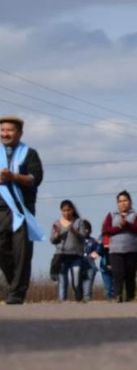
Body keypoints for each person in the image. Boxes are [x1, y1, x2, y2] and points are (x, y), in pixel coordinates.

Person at [0, 116, 44, 304]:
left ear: (19, 133)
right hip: (1, 209)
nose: (5, 134)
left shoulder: (29, 154)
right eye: (2, 130)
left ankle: (17, 293)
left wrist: (13, 177)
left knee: (22, 252)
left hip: (21, 209)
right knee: (2, 249)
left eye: (9, 130)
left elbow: (35, 179)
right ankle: (15, 284)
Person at [102, 190, 137, 302]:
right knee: (118, 274)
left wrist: (127, 225)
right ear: (117, 203)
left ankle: (130, 297)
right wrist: (119, 227)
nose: (123, 203)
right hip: (115, 250)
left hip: (132, 250)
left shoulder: (136, 214)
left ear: (130, 202)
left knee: (130, 274)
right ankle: (118, 295)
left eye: (125, 200)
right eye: (120, 201)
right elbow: (106, 230)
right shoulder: (111, 214)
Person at [50, 200, 89, 302]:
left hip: (76, 256)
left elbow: (83, 237)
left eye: (68, 210)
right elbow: (52, 240)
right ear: (61, 211)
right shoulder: (57, 223)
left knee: (76, 280)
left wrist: (74, 231)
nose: (66, 213)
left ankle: (78, 299)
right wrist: (56, 236)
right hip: (61, 256)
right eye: (64, 210)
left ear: (73, 210)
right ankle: (62, 301)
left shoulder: (79, 222)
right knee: (62, 281)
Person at [80, 222, 102, 302]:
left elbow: (98, 251)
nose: (86, 231)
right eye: (84, 229)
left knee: (88, 285)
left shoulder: (93, 241)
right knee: (78, 285)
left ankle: (87, 299)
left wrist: (93, 255)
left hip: (90, 266)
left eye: (87, 229)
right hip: (79, 266)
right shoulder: (76, 241)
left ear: (90, 230)